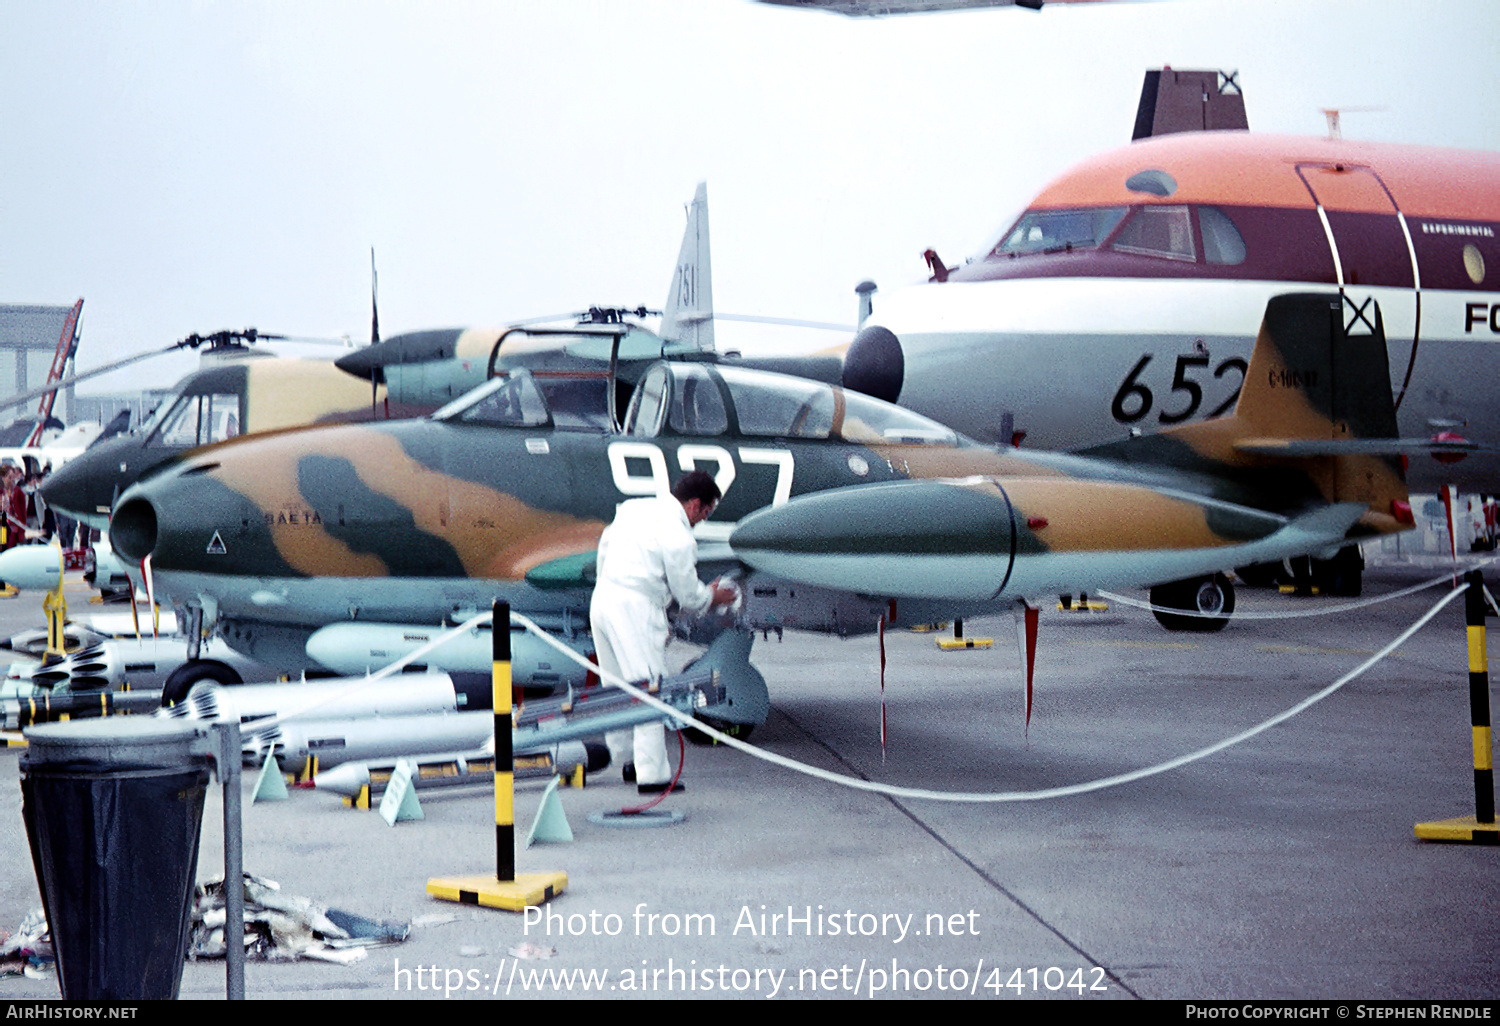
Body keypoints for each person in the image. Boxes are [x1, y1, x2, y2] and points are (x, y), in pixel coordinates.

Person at [591, 470, 737, 794]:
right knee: (649, 689)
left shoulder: (634, 509)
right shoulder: (679, 534)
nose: (701, 521)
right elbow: (688, 594)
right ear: (695, 505)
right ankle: (652, 774)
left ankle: (626, 758)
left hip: (602, 598)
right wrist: (714, 595)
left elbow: (604, 549)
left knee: (616, 686)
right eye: (705, 513)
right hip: (634, 607)